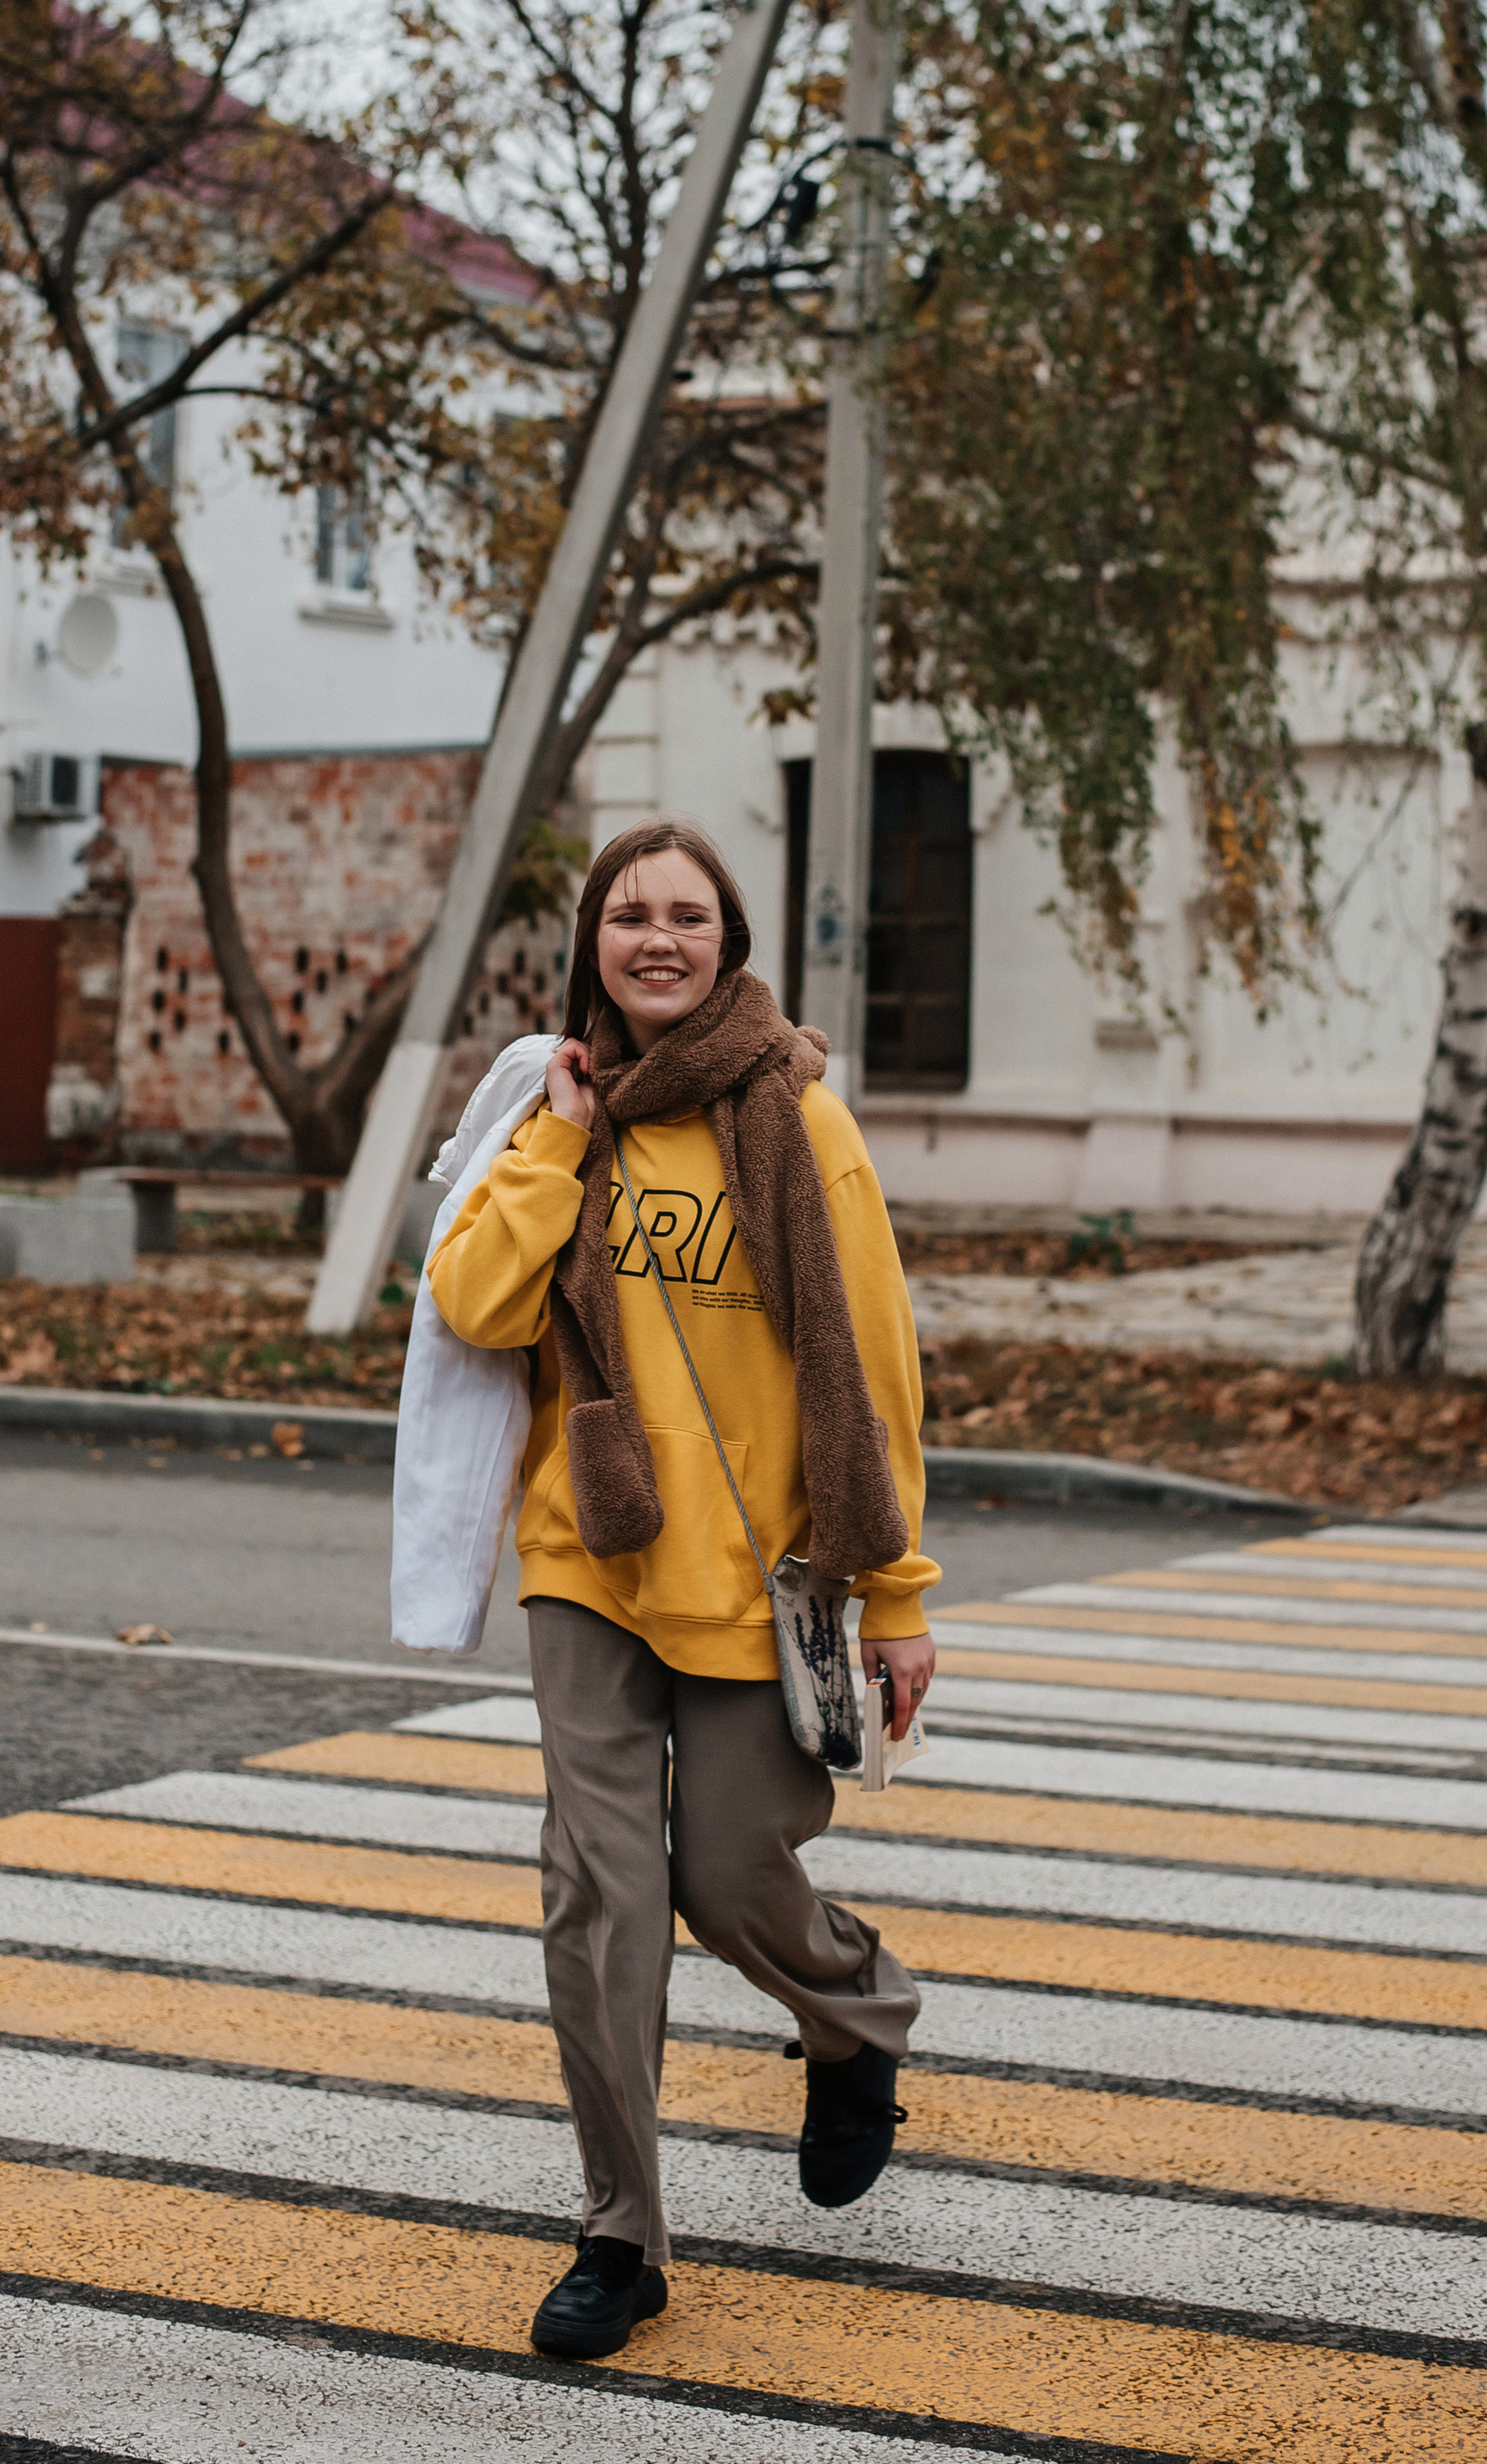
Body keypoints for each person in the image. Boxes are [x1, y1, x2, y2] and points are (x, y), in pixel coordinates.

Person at [424, 817, 938, 2362]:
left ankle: (854, 2018)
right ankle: (618, 2233)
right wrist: (564, 1140)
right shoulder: (555, 1112)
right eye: (629, 915)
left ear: (731, 940)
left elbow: (875, 1362)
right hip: (588, 1552)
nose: (658, 938)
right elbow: (471, 1299)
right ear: (593, 939)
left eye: (689, 916)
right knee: (602, 1898)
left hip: (756, 1579)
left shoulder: (799, 1119)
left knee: (724, 1877)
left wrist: (896, 1592)